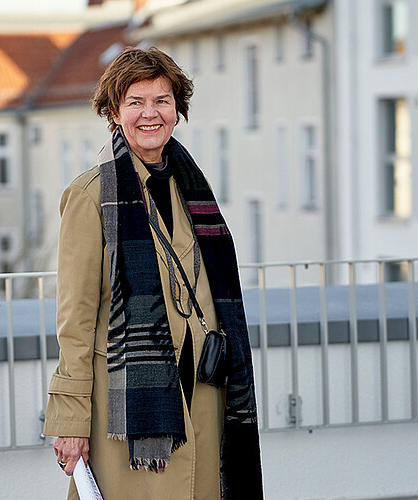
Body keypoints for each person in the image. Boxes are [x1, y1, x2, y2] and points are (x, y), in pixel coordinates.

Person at [43, 46, 263, 499]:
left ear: (177, 111)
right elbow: (76, 322)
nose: (150, 114)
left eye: (162, 101)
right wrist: (70, 421)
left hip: (203, 390)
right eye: (135, 102)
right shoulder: (89, 197)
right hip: (127, 405)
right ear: (113, 111)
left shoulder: (192, 186)